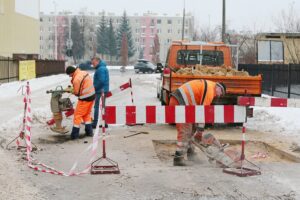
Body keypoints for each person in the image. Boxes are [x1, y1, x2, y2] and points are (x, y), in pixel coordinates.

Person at [169, 79, 227, 166]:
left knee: (191, 130)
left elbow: (199, 110)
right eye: (220, 93)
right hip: (180, 103)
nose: (218, 95)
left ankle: (191, 154)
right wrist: (200, 131)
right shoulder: (211, 90)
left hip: (184, 104)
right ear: (219, 88)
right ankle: (178, 159)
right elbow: (202, 112)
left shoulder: (209, 86)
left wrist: (198, 129)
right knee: (186, 131)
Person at [65, 66, 95, 139]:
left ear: (71, 73)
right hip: (92, 96)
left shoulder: (76, 79)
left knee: (77, 115)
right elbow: (83, 85)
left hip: (85, 98)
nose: (69, 76)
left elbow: (77, 93)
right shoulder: (83, 72)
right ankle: (89, 132)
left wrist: (71, 90)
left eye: (69, 75)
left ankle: (74, 135)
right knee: (86, 114)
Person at [91, 57, 109, 128]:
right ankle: (105, 122)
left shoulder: (100, 69)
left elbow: (101, 81)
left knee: (97, 106)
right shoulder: (102, 68)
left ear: (98, 61)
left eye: (94, 63)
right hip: (103, 90)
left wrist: (94, 87)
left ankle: (95, 123)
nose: (93, 65)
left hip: (100, 91)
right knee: (103, 107)